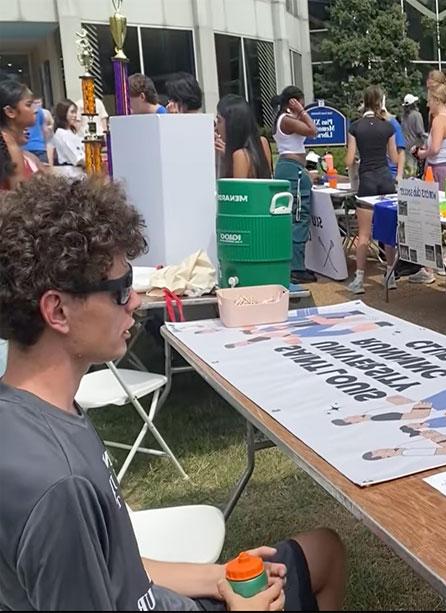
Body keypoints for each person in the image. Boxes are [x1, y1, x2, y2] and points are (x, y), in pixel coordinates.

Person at [0, 174, 347, 611]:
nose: (135, 303)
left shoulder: (32, 413)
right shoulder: (59, 487)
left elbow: (117, 568)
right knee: (326, 555)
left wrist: (216, 575)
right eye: (121, 290)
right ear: (57, 310)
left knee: (325, 550)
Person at [344, 85, 402, 295]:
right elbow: (394, 158)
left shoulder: (355, 127)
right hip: (386, 180)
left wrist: (354, 161)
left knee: (364, 234)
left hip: (367, 179)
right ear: (380, 102)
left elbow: (350, 160)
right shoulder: (387, 126)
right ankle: (390, 275)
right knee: (387, 232)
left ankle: (359, 279)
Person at [272, 85, 319, 284]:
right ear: (294, 101)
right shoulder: (288, 120)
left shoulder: (283, 120)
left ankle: (294, 264)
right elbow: (313, 130)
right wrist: (301, 111)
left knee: (293, 216)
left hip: (290, 168)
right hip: (293, 171)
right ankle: (296, 267)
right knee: (299, 215)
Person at [415, 80, 446, 193]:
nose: (427, 104)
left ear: (436, 100)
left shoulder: (439, 121)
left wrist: (421, 154)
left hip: (439, 172)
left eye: (429, 100)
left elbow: (435, 149)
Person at [216, 94, 273, 179]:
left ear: (231, 124)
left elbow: (237, 190)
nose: (216, 127)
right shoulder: (262, 142)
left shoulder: (240, 155)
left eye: (219, 121)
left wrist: (228, 158)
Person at [0, 78, 39, 190]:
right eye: (28, 105)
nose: (35, 110)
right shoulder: (10, 147)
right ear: (10, 112)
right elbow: (19, 200)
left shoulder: (11, 145)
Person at [51, 99, 85, 171]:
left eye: (75, 112)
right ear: (63, 113)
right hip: (71, 173)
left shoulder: (72, 132)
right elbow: (76, 158)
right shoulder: (61, 133)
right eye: (72, 112)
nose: (75, 115)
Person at [401, 94, 427, 176]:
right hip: (415, 147)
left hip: (405, 145)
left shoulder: (403, 116)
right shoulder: (417, 115)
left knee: (407, 170)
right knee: (415, 171)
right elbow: (420, 131)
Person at [23, 97, 52, 165]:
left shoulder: (19, 111)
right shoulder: (39, 111)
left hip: (25, 148)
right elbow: (45, 130)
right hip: (40, 147)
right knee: (44, 173)